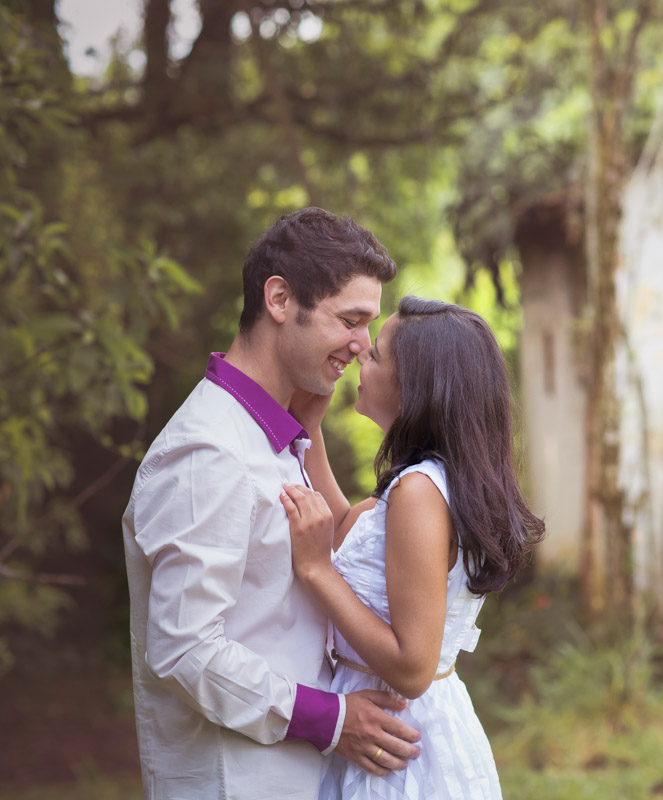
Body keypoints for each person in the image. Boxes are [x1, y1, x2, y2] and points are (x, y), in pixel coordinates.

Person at [122, 208, 422, 800]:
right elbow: (184, 650)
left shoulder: (273, 438)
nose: (363, 346)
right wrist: (333, 719)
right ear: (280, 300)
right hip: (233, 781)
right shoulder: (206, 451)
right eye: (350, 321)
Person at [280, 295, 545, 799]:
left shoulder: (420, 491)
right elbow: (349, 532)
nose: (361, 355)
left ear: (414, 388)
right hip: (403, 727)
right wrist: (309, 431)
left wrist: (317, 571)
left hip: (396, 746)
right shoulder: (432, 480)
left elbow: (412, 667)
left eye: (376, 354)